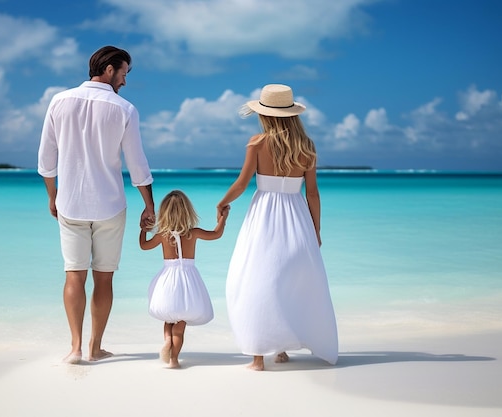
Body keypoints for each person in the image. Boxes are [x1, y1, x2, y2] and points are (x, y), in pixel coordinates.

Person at [38, 46, 155, 364]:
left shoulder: (59, 101)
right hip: (110, 206)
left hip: (71, 204)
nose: (125, 81)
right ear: (109, 69)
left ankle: (75, 349)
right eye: (124, 73)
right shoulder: (125, 109)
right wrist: (149, 206)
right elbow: (138, 165)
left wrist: (53, 196)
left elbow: (47, 160)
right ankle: (95, 347)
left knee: (73, 275)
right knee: (104, 277)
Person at [217, 84, 338, 371]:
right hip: (297, 218)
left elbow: (242, 184)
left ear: (265, 115)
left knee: (256, 279)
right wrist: (316, 230)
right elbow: (312, 194)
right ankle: (281, 348)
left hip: (264, 217)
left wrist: (222, 202)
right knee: (287, 281)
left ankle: (258, 357)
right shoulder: (307, 148)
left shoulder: (257, 143)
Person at [140, 190, 229, 369]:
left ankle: (167, 341)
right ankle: (174, 359)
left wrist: (143, 230)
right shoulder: (192, 233)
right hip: (187, 282)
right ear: (187, 211)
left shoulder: (162, 235)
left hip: (167, 281)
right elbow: (216, 234)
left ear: (164, 213)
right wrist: (223, 218)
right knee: (180, 325)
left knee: (168, 317)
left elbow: (144, 246)